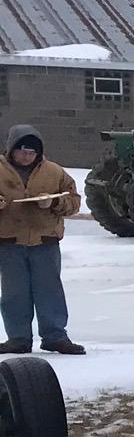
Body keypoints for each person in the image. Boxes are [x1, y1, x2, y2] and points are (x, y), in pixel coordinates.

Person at [0, 125, 85, 355]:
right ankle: (18, 338)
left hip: (45, 242)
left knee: (50, 290)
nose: (27, 156)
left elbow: (74, 201)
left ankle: (55, 336)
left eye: (32, 152)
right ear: (11, 150)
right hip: (9, 243)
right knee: (13, 293)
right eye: (22, 151)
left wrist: (54, 203)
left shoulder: (55, 172)